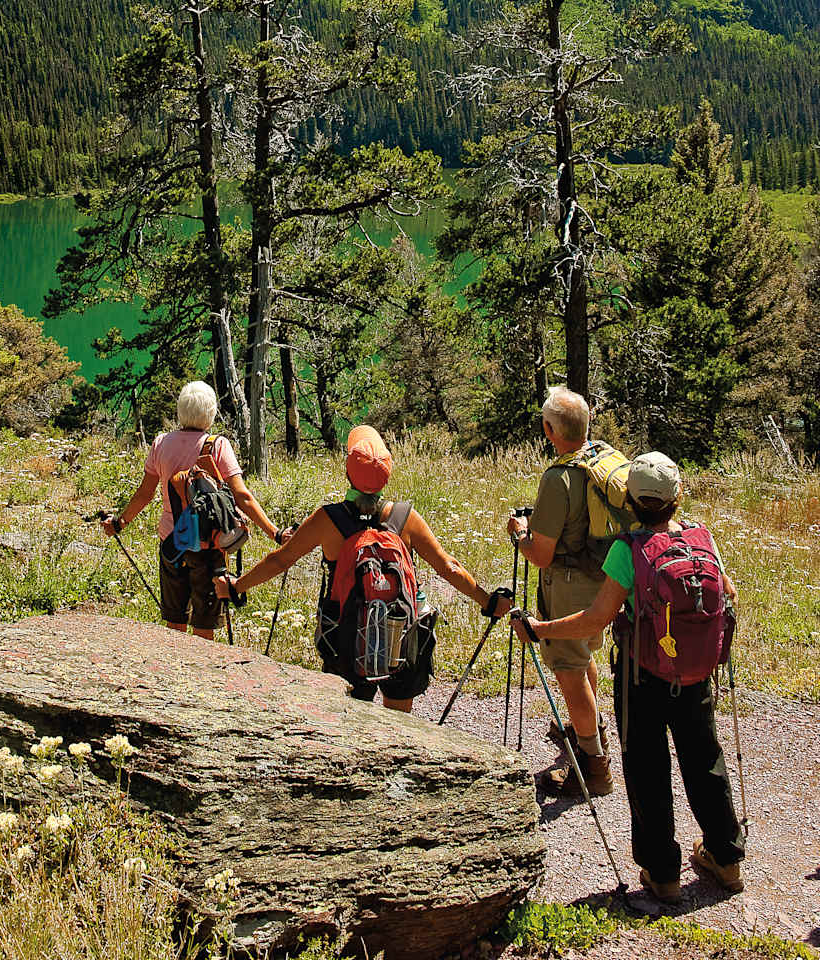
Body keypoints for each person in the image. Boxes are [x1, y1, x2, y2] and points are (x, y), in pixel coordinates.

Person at [510, 451, 745, 904]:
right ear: (678, 496)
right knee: (704, 760)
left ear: (632, 502)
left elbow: (596, 620)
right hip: (696, 673)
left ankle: (663, 875)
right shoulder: (704, 540)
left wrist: (539, 629)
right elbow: (728, 593)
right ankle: (727, 857)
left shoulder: (628, 551)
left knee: (647, 768)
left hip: (643, 676)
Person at [214, 424, 513, 712]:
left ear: (347, 473)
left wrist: (236, 586)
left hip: (345, 638)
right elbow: (449, 568)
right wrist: (488, 601)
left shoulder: (328, 519)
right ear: (387, 476)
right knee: (399, 725)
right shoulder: (405, 517)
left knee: (350, 724)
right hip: (401, 635)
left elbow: (280, 559)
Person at [102, 381, 289, 641]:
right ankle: (203, 679)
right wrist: (276, 533)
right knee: (204, 627)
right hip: (209, 547)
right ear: (210, 412)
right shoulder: (217, 446)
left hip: (172, 542)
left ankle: (175, 676)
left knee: (175, 622)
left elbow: (144, 494)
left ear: (181, 410)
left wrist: (120, 523)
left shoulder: (161, 443)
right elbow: (243, 497)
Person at [507, 386, 612, 796]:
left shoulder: (559, 478)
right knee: (582, 655)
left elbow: (541, 555)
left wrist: (519, 535)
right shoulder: (601, 460)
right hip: (604, 579)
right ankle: (588, 726)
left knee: (568, 670)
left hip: (569, 584)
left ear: (550, 429)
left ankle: (593, 767)